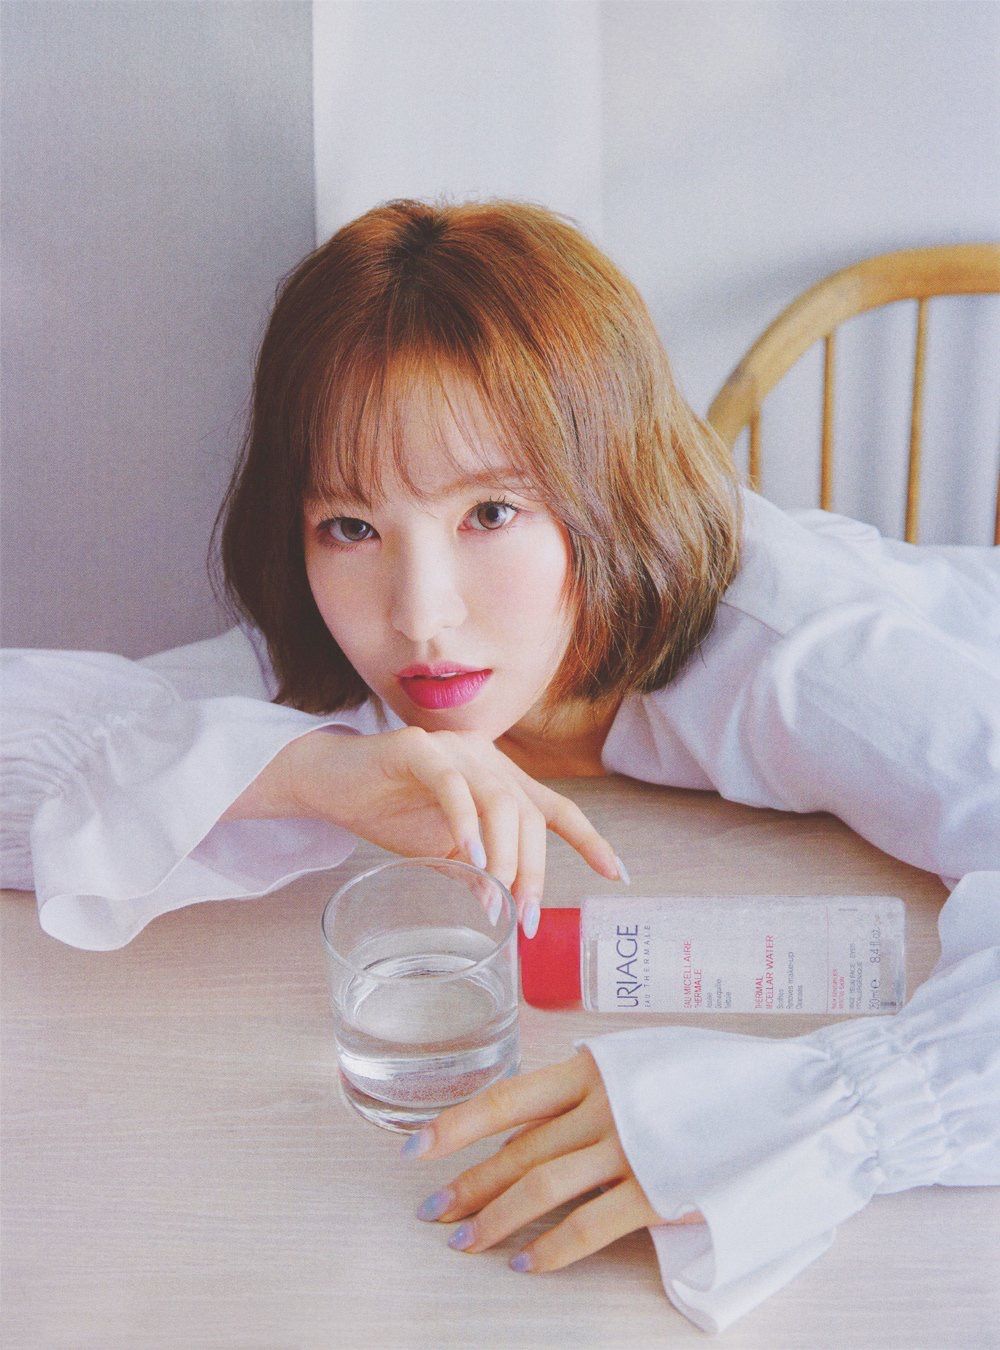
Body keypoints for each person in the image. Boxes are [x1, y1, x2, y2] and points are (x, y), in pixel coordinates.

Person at [3, 197, 998, 1333]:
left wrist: (813, 1111)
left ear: (608, 487)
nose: (419, 618)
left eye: (489, 512)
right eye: (351, 526)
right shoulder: (338, 646)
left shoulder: (799, 653)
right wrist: (307, 773)